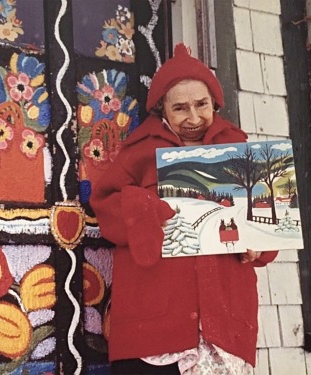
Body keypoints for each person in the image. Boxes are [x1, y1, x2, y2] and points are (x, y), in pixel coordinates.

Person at [90, 44, 278, 375]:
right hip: (155, 326)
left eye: (201, 105)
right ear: (162, 109)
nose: (193, 118)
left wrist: (259, 245)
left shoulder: (240, 149)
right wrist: (143, 208)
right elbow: (105, 205)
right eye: (180, 108)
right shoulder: (140, 151)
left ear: (215, 103)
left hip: (223, 326)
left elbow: (270, 224)